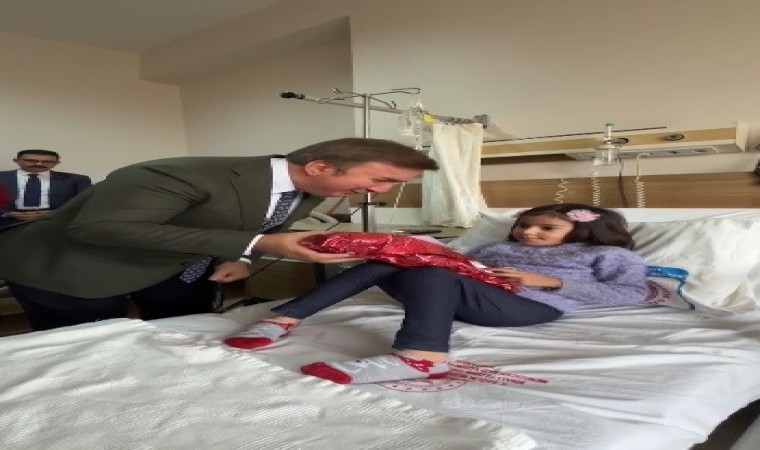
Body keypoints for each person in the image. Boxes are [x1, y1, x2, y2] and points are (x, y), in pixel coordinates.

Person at [0, 138, 438, 331]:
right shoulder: (177, 175)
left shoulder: (309, 189)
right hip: (69, 266)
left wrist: (242, 257)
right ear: (320, 166)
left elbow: (262, 225)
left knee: (184, 327)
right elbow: (100, 228)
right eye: (380, 180)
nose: (381, 192)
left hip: (170, 266)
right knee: (91, 348)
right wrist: (257, 245)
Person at [223, 203, 649, 384]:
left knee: (432, 270)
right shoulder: (497, 247)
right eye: (523, 225)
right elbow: (461, 267)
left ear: (584, 229)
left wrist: (549, 281)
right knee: (390, 260)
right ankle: (284, 319)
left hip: (527, 306)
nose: (528, 233)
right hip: (467, 294)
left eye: (545, 228)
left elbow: (633, 294)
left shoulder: (607, 254)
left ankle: (422, 357)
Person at [0, 149, 92, 229]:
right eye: (31, 161)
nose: (39, 164)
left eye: (47, 162)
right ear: (16, 160)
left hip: (56, 223)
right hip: (6, 221)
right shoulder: (2, 177)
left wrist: (55, 213)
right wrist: (6, 214)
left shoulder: (76, 180)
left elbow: (85, 203)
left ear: (57, 163)